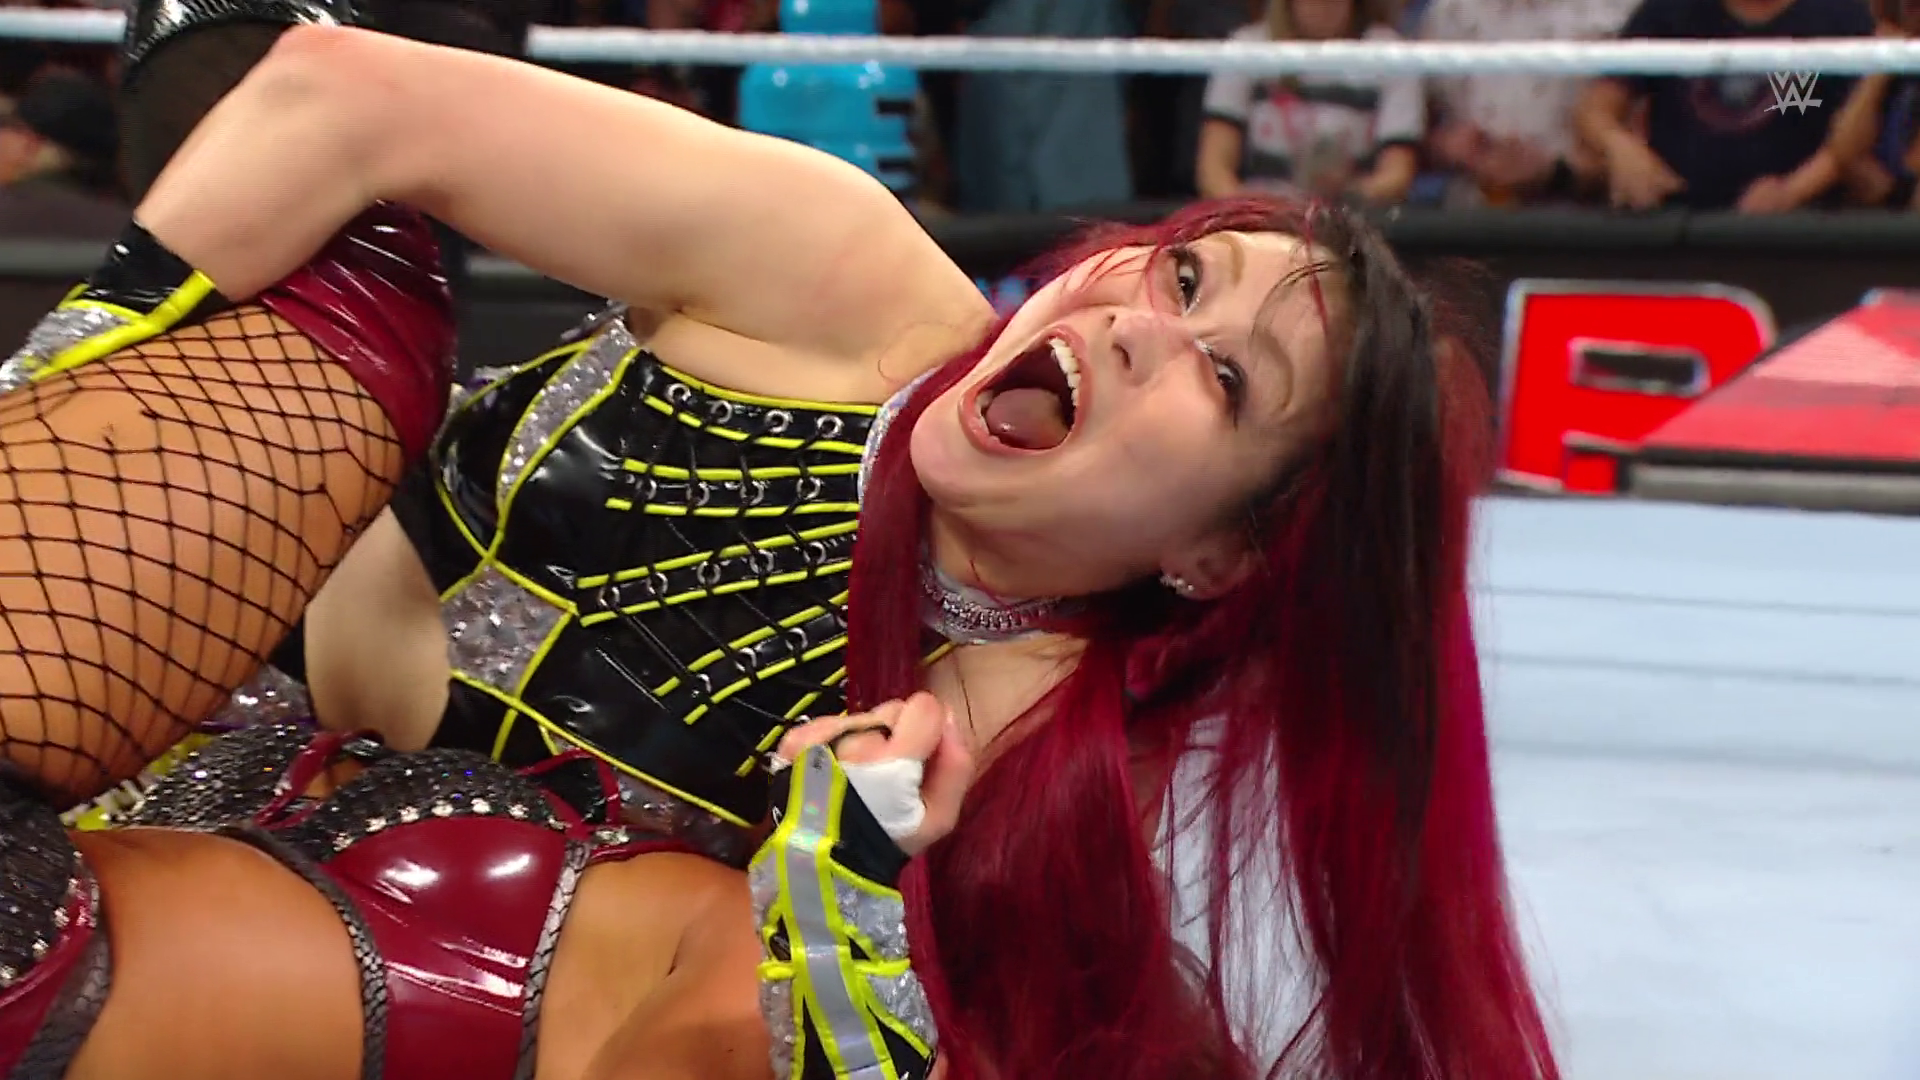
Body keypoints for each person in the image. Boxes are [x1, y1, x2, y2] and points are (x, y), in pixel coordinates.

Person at [0, 1, 1560, 1078]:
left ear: (1224, 559)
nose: (1140, 325)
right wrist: (56, 387)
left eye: (1225, 380)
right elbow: (340, 93)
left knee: (706, 955)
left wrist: (843, 900)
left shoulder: (1025, 760)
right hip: (170, 608)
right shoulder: (845, 279)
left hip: (306, 901)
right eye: (1181, 274)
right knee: (356, 297)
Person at [1574, 0, 1878, 212]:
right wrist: (1620, 148)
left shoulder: (1840, 17)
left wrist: (1793, 191)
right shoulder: (1668, 11)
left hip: (1795, 231)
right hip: (1674, 220)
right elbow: (1595, 109)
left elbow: (1856, 132)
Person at [1194, 0, 1423, 205]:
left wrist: (1348, 195)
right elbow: (1213, 170)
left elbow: (1397, 176)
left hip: (1349, 218)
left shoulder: (1390, 54)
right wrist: (1252, 214)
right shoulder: (1246, 48)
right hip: (1262, 215)